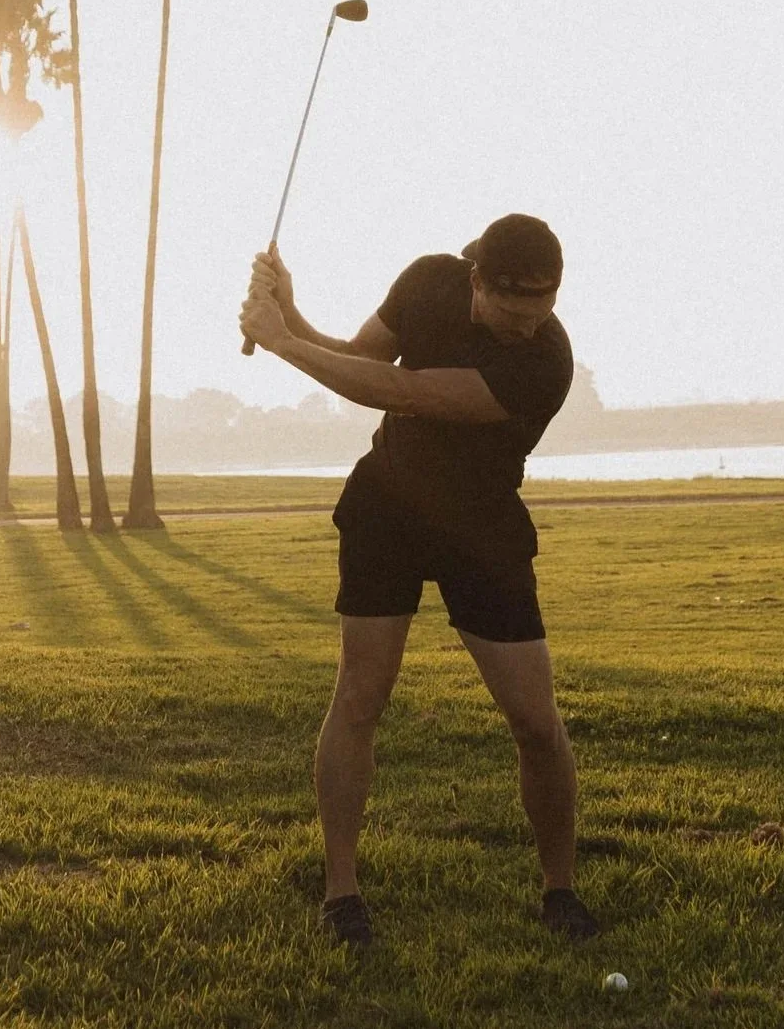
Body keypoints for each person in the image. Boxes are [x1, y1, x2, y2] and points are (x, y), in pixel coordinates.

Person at [237, 212, 598, 948]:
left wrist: (280, 343)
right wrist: (290, 313)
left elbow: (402, 393)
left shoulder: (544, 363)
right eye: (510, 312)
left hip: (481, 522)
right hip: (389, 505)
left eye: (541, 313)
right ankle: (342, 895)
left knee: (535, 720)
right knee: (361, 696)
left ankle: (559, 889)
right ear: (476, 281)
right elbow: (361, 361)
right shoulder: (427, 281)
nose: (526, 327)